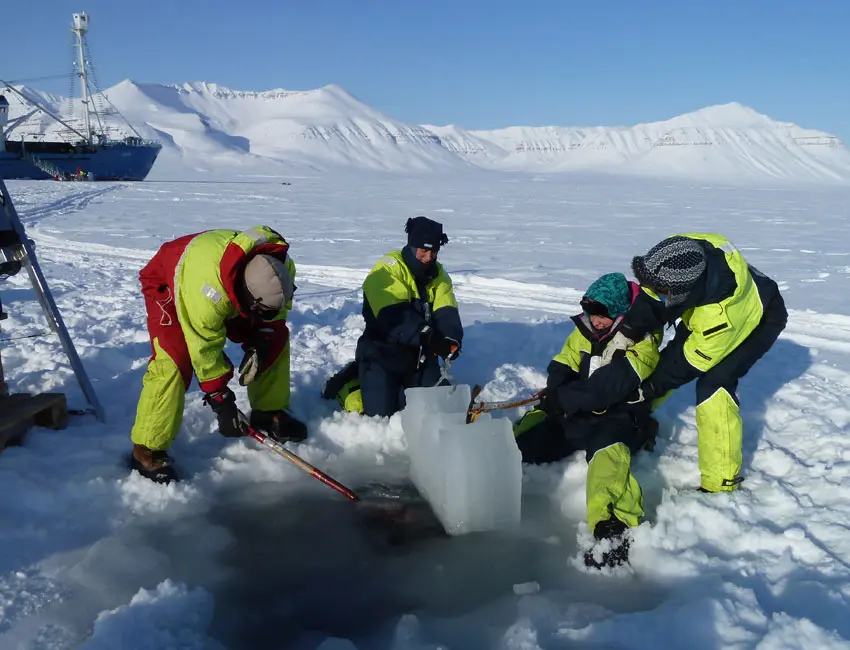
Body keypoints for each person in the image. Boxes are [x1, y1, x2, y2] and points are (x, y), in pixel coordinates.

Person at [129, 225, 307, 485]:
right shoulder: (206, 291)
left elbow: (277, 314)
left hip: (234, 292)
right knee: (174, 361)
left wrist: (263, 336)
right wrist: (221, 402)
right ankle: (146, 450)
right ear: (249, 299)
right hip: (172, 284)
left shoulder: (281, 270)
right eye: (261, 310)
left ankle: (268, 412)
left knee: (275, 339)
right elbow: (203, 348)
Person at [513, 272, 661, 569]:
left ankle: (613, 532)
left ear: (620, 311)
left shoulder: (643, 343)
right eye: (592, 313)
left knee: (608, 461)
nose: (596, 321)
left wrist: (566, 398)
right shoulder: (585, 330)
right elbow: (563, 361)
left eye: (602, 315)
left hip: (619, 417)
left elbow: (608, 387)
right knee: (526, 442)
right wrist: (557, 391)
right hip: (579, 412)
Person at [627, 233, 787, 493]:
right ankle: (631, 414)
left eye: (661, 291)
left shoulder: (718, 320)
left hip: (759, 319)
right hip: (714, 302)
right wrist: (630, 329)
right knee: (671, 351)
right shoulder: (683, 251)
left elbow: (686, 364)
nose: (652, 291)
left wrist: (650, 387)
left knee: (715, 382)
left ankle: (720, 482)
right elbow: (653, 295)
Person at [323, 216, 463, 417]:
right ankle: (349, 383)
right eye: (423, 251)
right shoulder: (387, 270)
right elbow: (394, 316)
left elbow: (446, 310)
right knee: (378, 415)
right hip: (381, 353)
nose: (428, 257)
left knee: (438, 406)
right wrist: (428, 336)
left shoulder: (439, 275)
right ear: (412, 246)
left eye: (434, 252)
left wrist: (450, 339)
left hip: (420, 356)